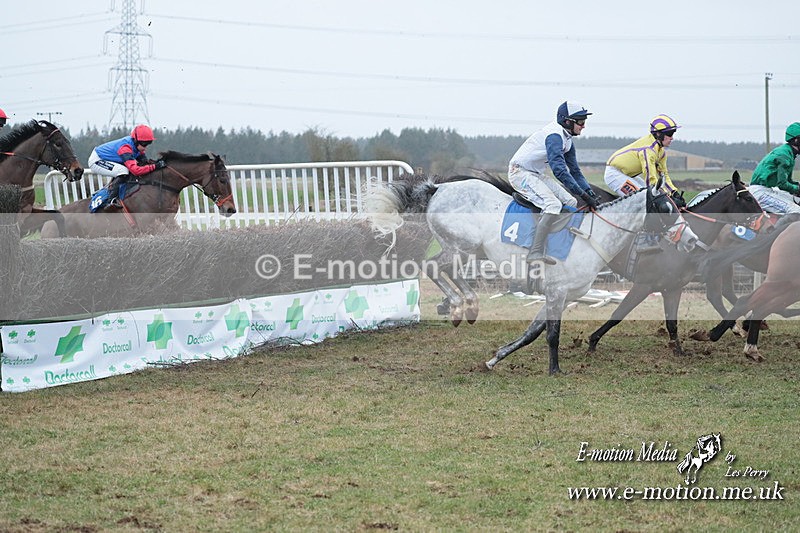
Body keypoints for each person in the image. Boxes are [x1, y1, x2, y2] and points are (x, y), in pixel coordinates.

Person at [508, 101, 599, 265]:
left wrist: (589, 193)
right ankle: (535, 252)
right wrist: (583, 194)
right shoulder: (555, 136)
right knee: (553, 205)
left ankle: (555, 243)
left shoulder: (568, 139)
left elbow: (575, 171)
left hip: (535, 173)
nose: (584, 126)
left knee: (571, 201)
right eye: (581, 121)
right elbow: (559, 171)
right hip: (519, 173)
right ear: (567, 121)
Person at [604, 114, 686, 207]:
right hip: (614, 174)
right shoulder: (648, 150)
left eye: (673, 134)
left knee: (655, 197)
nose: (672, 138)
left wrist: (674, 193)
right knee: (644, 201)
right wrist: (666, 197)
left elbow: (664, 175)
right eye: (670, 134)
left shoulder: (661, 152)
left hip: (627, 175)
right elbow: (650, 179)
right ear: (658, 134)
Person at [88, 124, 166, 207]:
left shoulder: (136, 146)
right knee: (123, 171)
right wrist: (155, 166)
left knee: (127, 170)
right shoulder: (125, 148)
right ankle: (111, 200)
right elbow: (136, 170)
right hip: (97, 160)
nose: (145, 147)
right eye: (144, 144)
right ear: (136, 141)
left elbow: (144, 163)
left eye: (148, 144)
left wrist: (156, 164)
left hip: (107, 158)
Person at [747, 122, 800, 215]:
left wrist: (797, 187)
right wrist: (797, 189)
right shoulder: (784, 155)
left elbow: (788, 181)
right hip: (759, 192)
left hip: (767, 189)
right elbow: (782, 184)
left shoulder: (789, 153)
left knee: (795, 200)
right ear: (796, 140)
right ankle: (775, 230)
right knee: (796, 211)